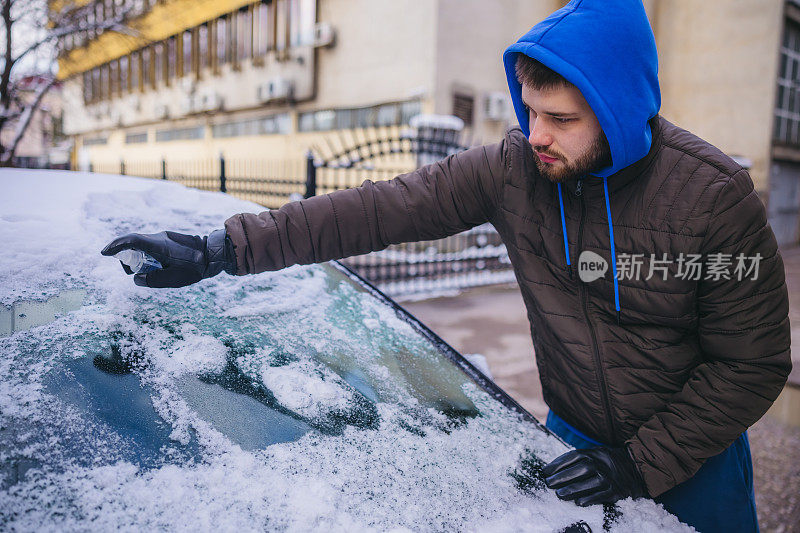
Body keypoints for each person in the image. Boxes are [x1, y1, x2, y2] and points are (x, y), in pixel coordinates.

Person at [102, 1, 791, 530]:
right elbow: (378, 209)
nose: (536, 134)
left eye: (561, 118)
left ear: (620, 112)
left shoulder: (712, 200)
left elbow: (752, 364)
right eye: (529, 111)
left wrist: (644, 461)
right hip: (573, 438)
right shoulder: (513, 169)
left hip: (695, 463)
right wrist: (221, 249)